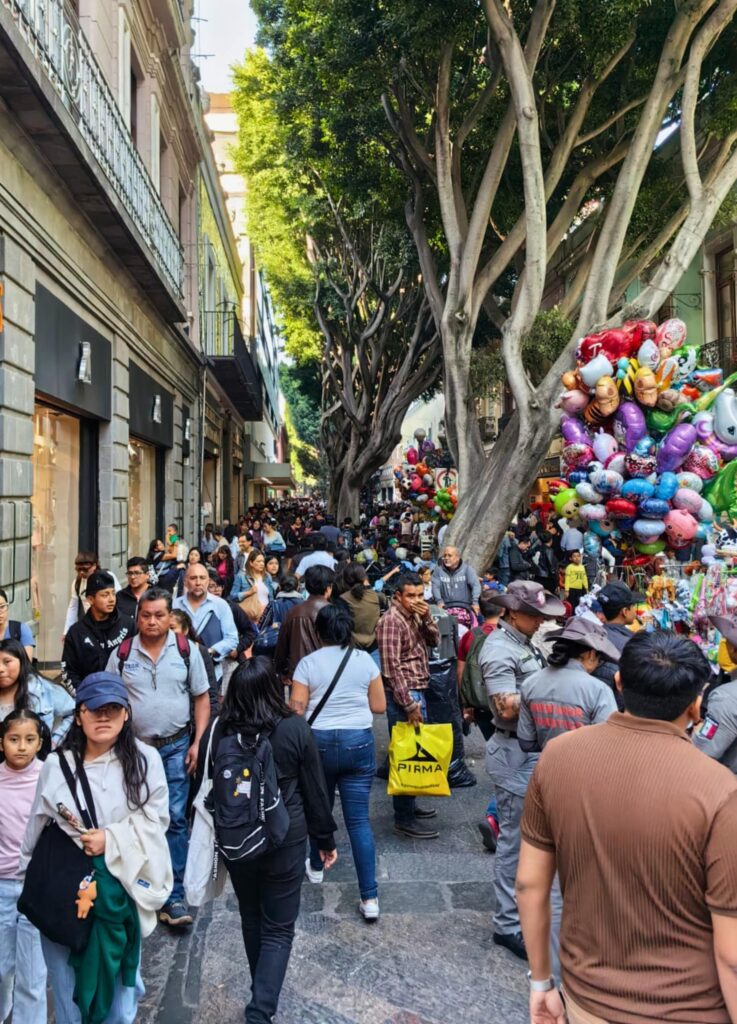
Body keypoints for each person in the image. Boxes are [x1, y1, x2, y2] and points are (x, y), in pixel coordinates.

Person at [517, 630, 737, 1024]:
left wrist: (542, 982)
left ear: (618, 683)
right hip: (690, 1009)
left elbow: (529, 885)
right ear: (696, 705)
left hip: (586, 1000)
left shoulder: (558, 756)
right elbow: (731, 954)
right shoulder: (722, 792)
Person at [20, 672, 171, 1024]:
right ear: (79, 715)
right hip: (63, 892)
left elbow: (157, 821)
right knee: (68, 992)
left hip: (118, 891)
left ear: (126, 714)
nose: (103, 716)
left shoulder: (146, 760)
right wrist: (26, 881)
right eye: (94, 709)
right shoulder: (57, 765)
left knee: (119, 995)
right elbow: (36, 826)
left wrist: (111, 839)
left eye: (112, 708)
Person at [196, 659, 337, 1024]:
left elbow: (207, 783)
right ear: (275, 690)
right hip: (284, 838)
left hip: (237, 838)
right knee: (278, 927)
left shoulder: (219, 730)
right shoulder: (294, 728)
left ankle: (261, 992)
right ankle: (260, 1009)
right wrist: (324, 839)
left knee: (251, 914)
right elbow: (315, 790)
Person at [106, 587, 210, 928]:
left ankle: (173, 896)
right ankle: (134, 889)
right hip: (133, 749)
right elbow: (109, 701)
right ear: (138, 617)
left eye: (159, 615)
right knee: (132, 816)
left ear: (170, 617)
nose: (152, 621)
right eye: (146, 615)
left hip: (176, 746)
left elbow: (201, 697)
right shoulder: (122, 654)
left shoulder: (186, 650)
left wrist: (198, 742)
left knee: (175, 819)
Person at [479, 580, 564, 961]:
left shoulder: (522, 642)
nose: (540, 621)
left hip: (529, 750)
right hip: (515, 752)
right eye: (534, 615)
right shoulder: (500, 648)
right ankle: (507, 925)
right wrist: (549, 692)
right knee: (513, 842)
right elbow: (504, 706)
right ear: (513, 613)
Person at [291, 605, 385, 919]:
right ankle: (369, 898)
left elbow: (297, 711)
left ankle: (316, 867)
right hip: (358, 742)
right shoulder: (365, 662)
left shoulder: (307, 664)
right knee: (358, 822)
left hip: (318, 745)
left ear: (318, 632)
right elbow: (379, 706)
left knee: (319, 808)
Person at [376, 572, 441, 840]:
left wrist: (426, 618)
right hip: (406, 695)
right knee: (406, 755)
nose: (416, 600)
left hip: (418, 688)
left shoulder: (414, 615)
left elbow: (435, 641)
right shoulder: (391, 621)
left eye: (420, 595)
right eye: (410, 596)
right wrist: (409, 704)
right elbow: (391, 668)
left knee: (414, 751)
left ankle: (409, 806)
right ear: (398, 596)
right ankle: (403, 817)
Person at [0, 710, 48, 1024]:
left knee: (32, 975)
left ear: (39, 743)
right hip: (2, 886)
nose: (21, 746)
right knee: (2, 968)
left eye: (29, 739)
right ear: (1, 742)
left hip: (37, 887)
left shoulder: (50, 777)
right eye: (13, 739)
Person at [61, 572, 134, 692]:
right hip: (89, 697)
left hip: (124, 697)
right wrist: (84, 697)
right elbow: (69, 672)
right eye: (105, 595)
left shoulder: (129, 625)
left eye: (113, 593)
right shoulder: (76, 633)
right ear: (90, 599)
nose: (112, 599)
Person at [173, 564, 239, 686]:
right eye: (193, 578)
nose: (198, 583)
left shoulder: (220, 605)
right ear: (185, 582)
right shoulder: (174, 605)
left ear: (208, 581)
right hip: (178, 671)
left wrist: (210, 651)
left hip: (211, 671)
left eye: (202, 578)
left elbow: (232, 639)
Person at [0, 640, 74, 749]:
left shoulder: (42, 689)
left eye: (7, 662)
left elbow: (74, 712)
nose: (0, 669)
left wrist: (54, 742)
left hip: (39, 758)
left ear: (22, 661)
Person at [274, 566, 335, 685]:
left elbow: (282, 645)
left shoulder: (294, 612)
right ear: (328, 588)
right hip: (328, 674)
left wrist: (283, 671)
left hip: (298, 673)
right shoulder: (335, 612)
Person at [457, 590, 502, 741]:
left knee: (491, 741)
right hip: (506, 700)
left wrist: (466, 703)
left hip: (480, 702)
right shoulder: (509, 635)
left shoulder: (470, 636)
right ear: (503, 610)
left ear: (480, 611)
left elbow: (461, 672)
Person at [593, 581, 643, 707]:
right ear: (625, 611)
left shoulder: (592, 635)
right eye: (633, 606)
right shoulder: (632, 645)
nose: (635, 609)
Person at [63, 551, 120, 638]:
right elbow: (73, 607)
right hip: (91, 625)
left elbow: (120, 599)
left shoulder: (107, 577)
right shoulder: (77, 582)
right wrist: (67, 631)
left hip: (111, 623)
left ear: (94, 566)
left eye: (85, 569)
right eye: (78, 569)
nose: (81, 572)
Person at [338, 563, 384, 670]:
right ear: (364, 577)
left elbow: (343, 628)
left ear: (345, 580)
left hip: (352, 650)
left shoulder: (342, 599)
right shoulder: (376, 596)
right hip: (374, 647)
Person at [431, 546, 481, 617]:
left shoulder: (467, 569)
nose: (446, 558)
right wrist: (439, 601)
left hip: (465, 607)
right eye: (445, 555)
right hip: (445, 607)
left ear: (458, 557)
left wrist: (475, 602)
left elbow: (476, 586)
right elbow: (435, 587)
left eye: (449, 555)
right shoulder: (438, 570)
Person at [0, 589, 34, 662]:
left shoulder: (21, 629)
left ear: (7, 607)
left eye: (2, 607)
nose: (0, 612)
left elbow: (26, 663)